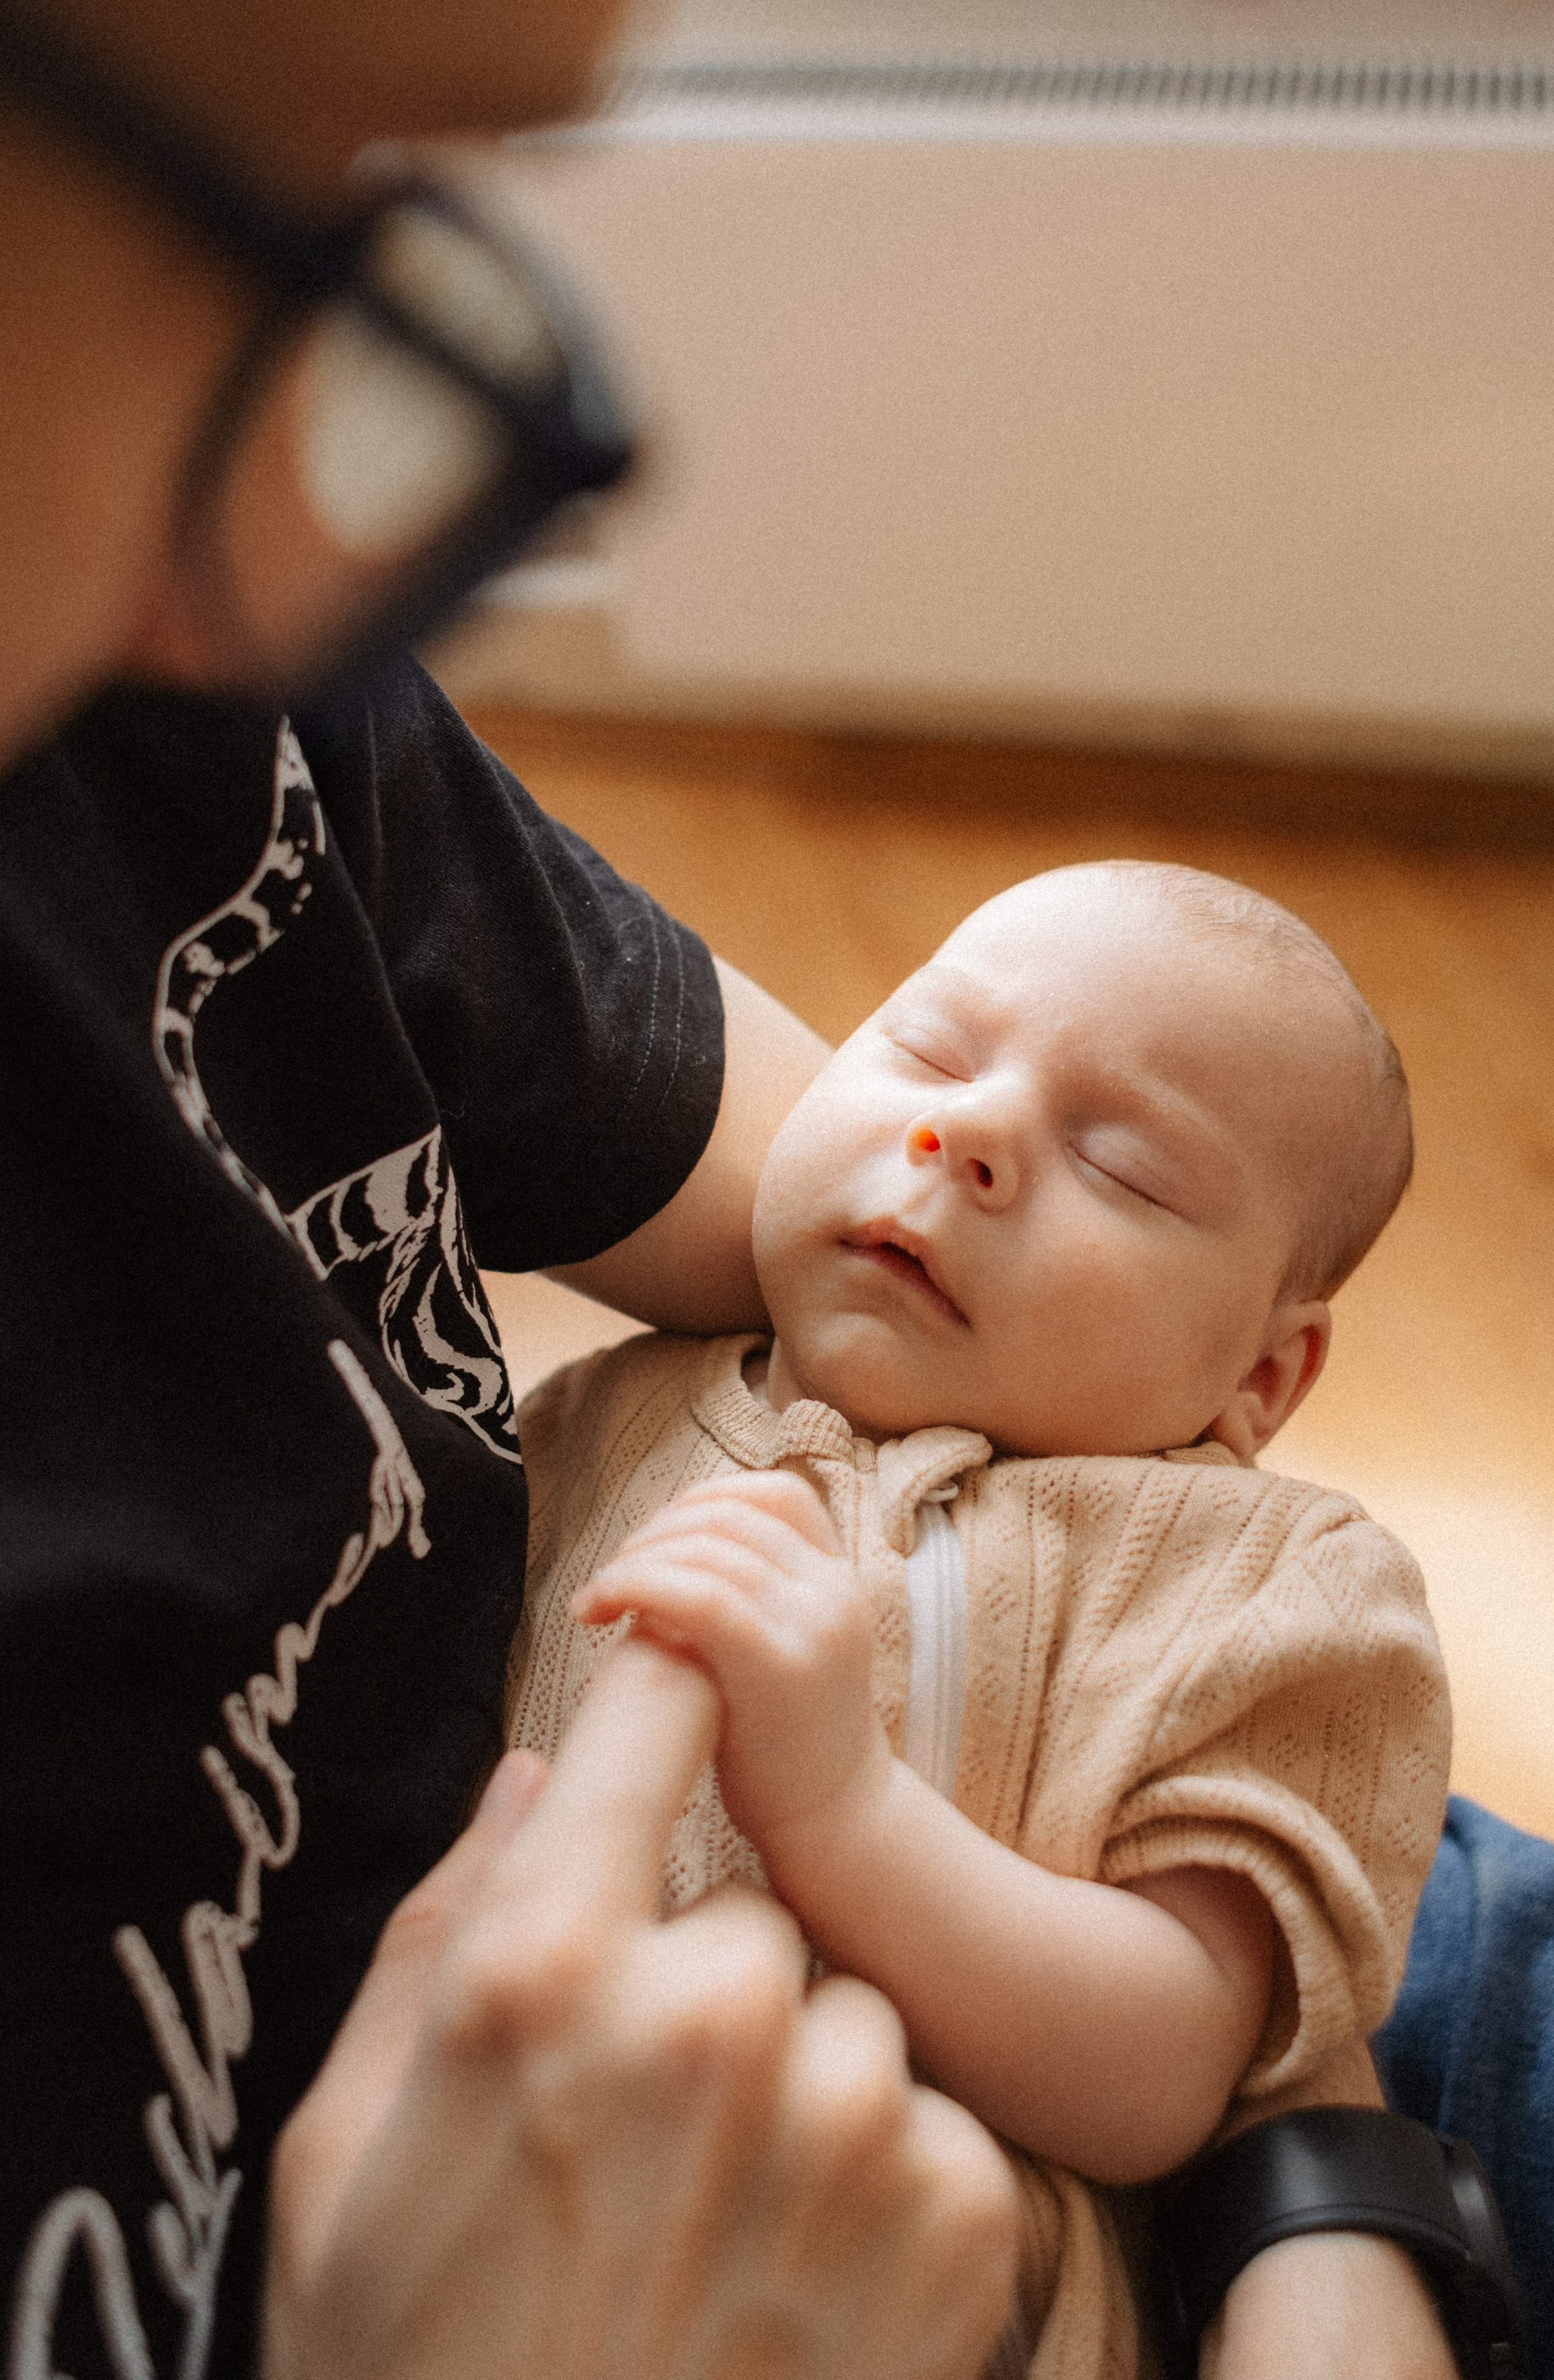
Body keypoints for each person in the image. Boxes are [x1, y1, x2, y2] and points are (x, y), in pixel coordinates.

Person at [0, 2, 1020, 2376]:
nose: (304, 560)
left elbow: (885, 1217)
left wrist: (1322, 2174)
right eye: (267, 214)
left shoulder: (168, 688)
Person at [508, 861, 1452, 2378]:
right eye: (928, 1050)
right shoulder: (591, 1426)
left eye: (1126, 1169)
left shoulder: (1272, 1588)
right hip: (516, 2248)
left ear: (1258, 1378)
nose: (969, 1134)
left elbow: (1159, 2073)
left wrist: (843, 1808)